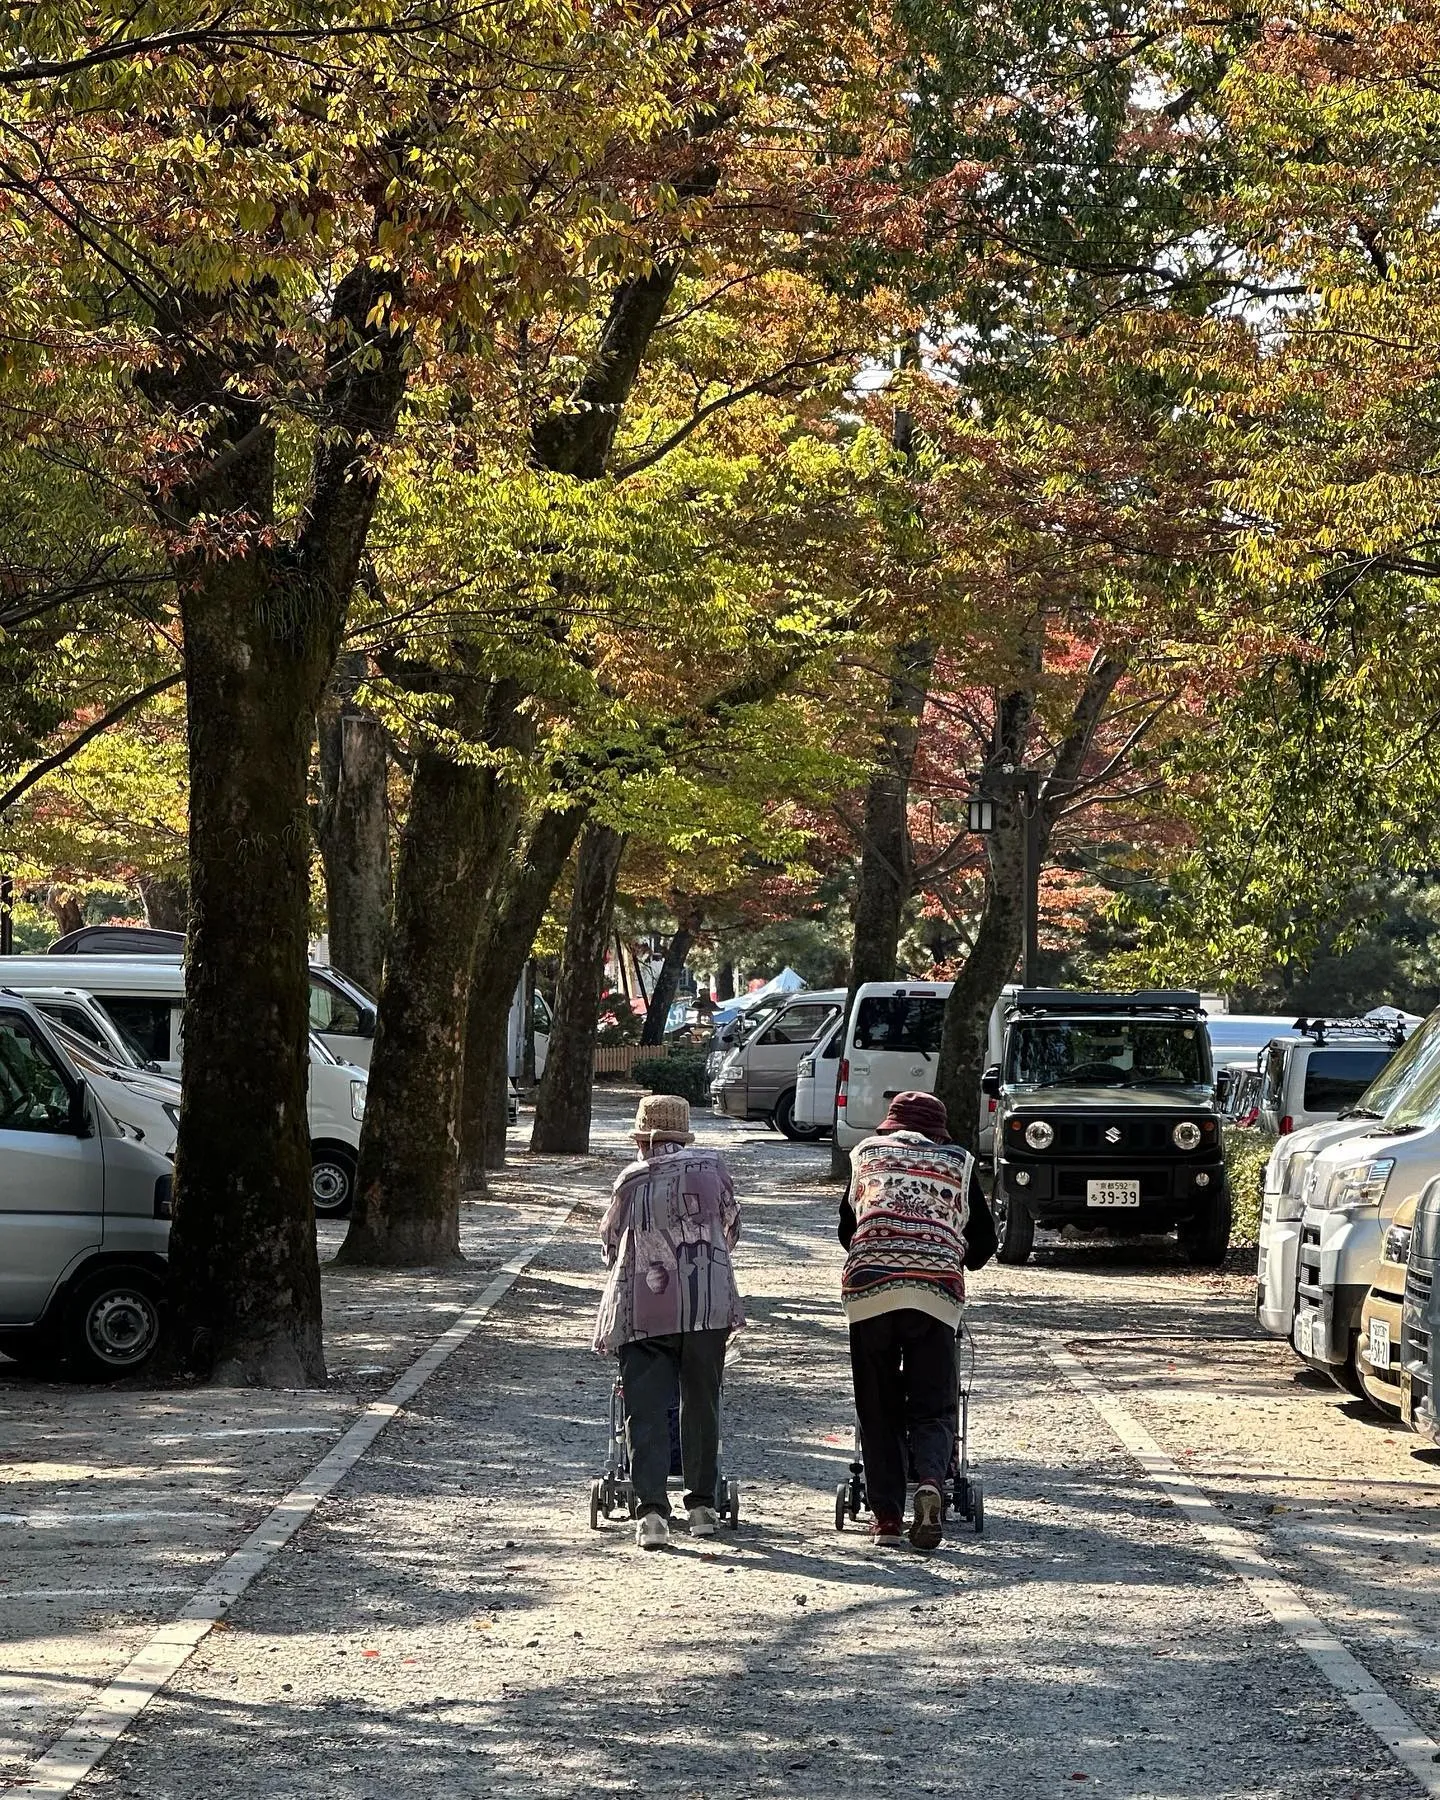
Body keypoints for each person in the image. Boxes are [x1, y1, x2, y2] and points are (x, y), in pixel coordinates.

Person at [840, 1089, 996, 1550]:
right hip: (935, 1294)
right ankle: (930, 1482)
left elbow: (848, 1230)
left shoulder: (866, 1155)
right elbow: (984, 1243)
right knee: (934, 1401)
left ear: (891, 1125)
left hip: (870, 1292)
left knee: (876, 1402)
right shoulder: (959, 1162)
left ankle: (886, 1516)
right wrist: (945, 1253)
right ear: (938, 1129)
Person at [594, 1093, 744, 1550]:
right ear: (684, 1136)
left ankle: (652, 1514)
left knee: (647, 1408)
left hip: (645, 1309)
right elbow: (732, 1228)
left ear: (642, 1140)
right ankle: (701, 1506)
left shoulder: (632, 1179)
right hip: (708, 1307)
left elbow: (609, 1241)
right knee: (701, 1401)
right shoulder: (713, 1168)